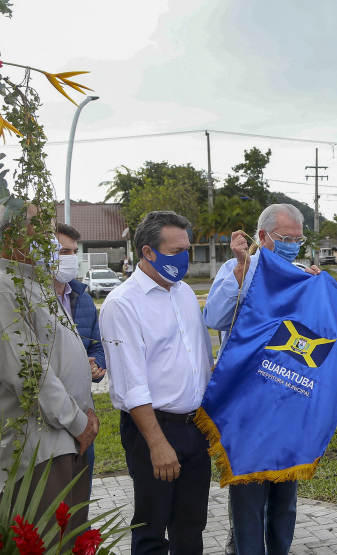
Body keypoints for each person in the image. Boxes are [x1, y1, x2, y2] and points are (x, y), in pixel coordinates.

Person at [203, 203, 321, 555]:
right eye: (286, 238)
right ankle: (242, 547)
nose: (293, 246)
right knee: (249, 491)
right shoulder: (239, 268)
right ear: (263, 236)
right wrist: (241, 272)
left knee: (284, 492)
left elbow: (316, 338)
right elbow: (215, 316)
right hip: (246, 404)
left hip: (288, 398)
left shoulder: (303, 276)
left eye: (299, 240)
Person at [99, 211, 214, 555]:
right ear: (148, 252)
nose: (184, 258)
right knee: (151, 530)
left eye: (187, 249)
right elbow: (131, 384)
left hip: (196, 427)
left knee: (191, 525)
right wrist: (157, 444)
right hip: (154, 429)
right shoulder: (123, 303)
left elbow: (200, 357)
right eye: (175, 250)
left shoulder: (183, 294)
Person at [0, 204, 98, 534]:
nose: (47, 238)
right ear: (8, 236)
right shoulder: (1, 286)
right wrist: (78, 421)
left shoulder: (35, 283)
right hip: (39, 447)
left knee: (71, 540)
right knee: (48, 541)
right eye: (39, 229)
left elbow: (57, 358)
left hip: (66, 439)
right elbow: (29, 373)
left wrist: (86, 411)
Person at [54, 223, 107, 494]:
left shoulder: (82, 299)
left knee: (79, 502)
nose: (71, 258)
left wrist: (96, 365)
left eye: (74, 251)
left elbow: (98, 346)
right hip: (50, 416)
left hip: (83, 410)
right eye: (64, 251)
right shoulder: (33, 300)